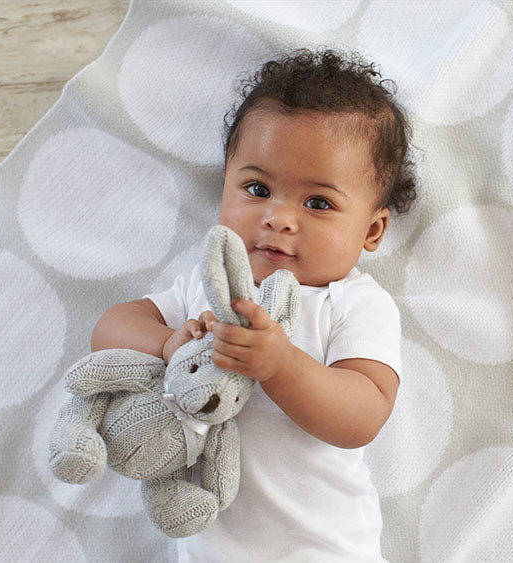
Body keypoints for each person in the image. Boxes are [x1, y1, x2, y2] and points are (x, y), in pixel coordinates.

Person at [90, 48, 416, 561]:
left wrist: (281, 365)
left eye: (318, 203)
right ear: (224, 189)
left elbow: (363, 415)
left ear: (371, 231)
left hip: (323, 547)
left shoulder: (352, 303)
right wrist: (167, 342)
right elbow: (110, 329)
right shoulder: (207, 287)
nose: (279, 218)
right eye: (258, 188)